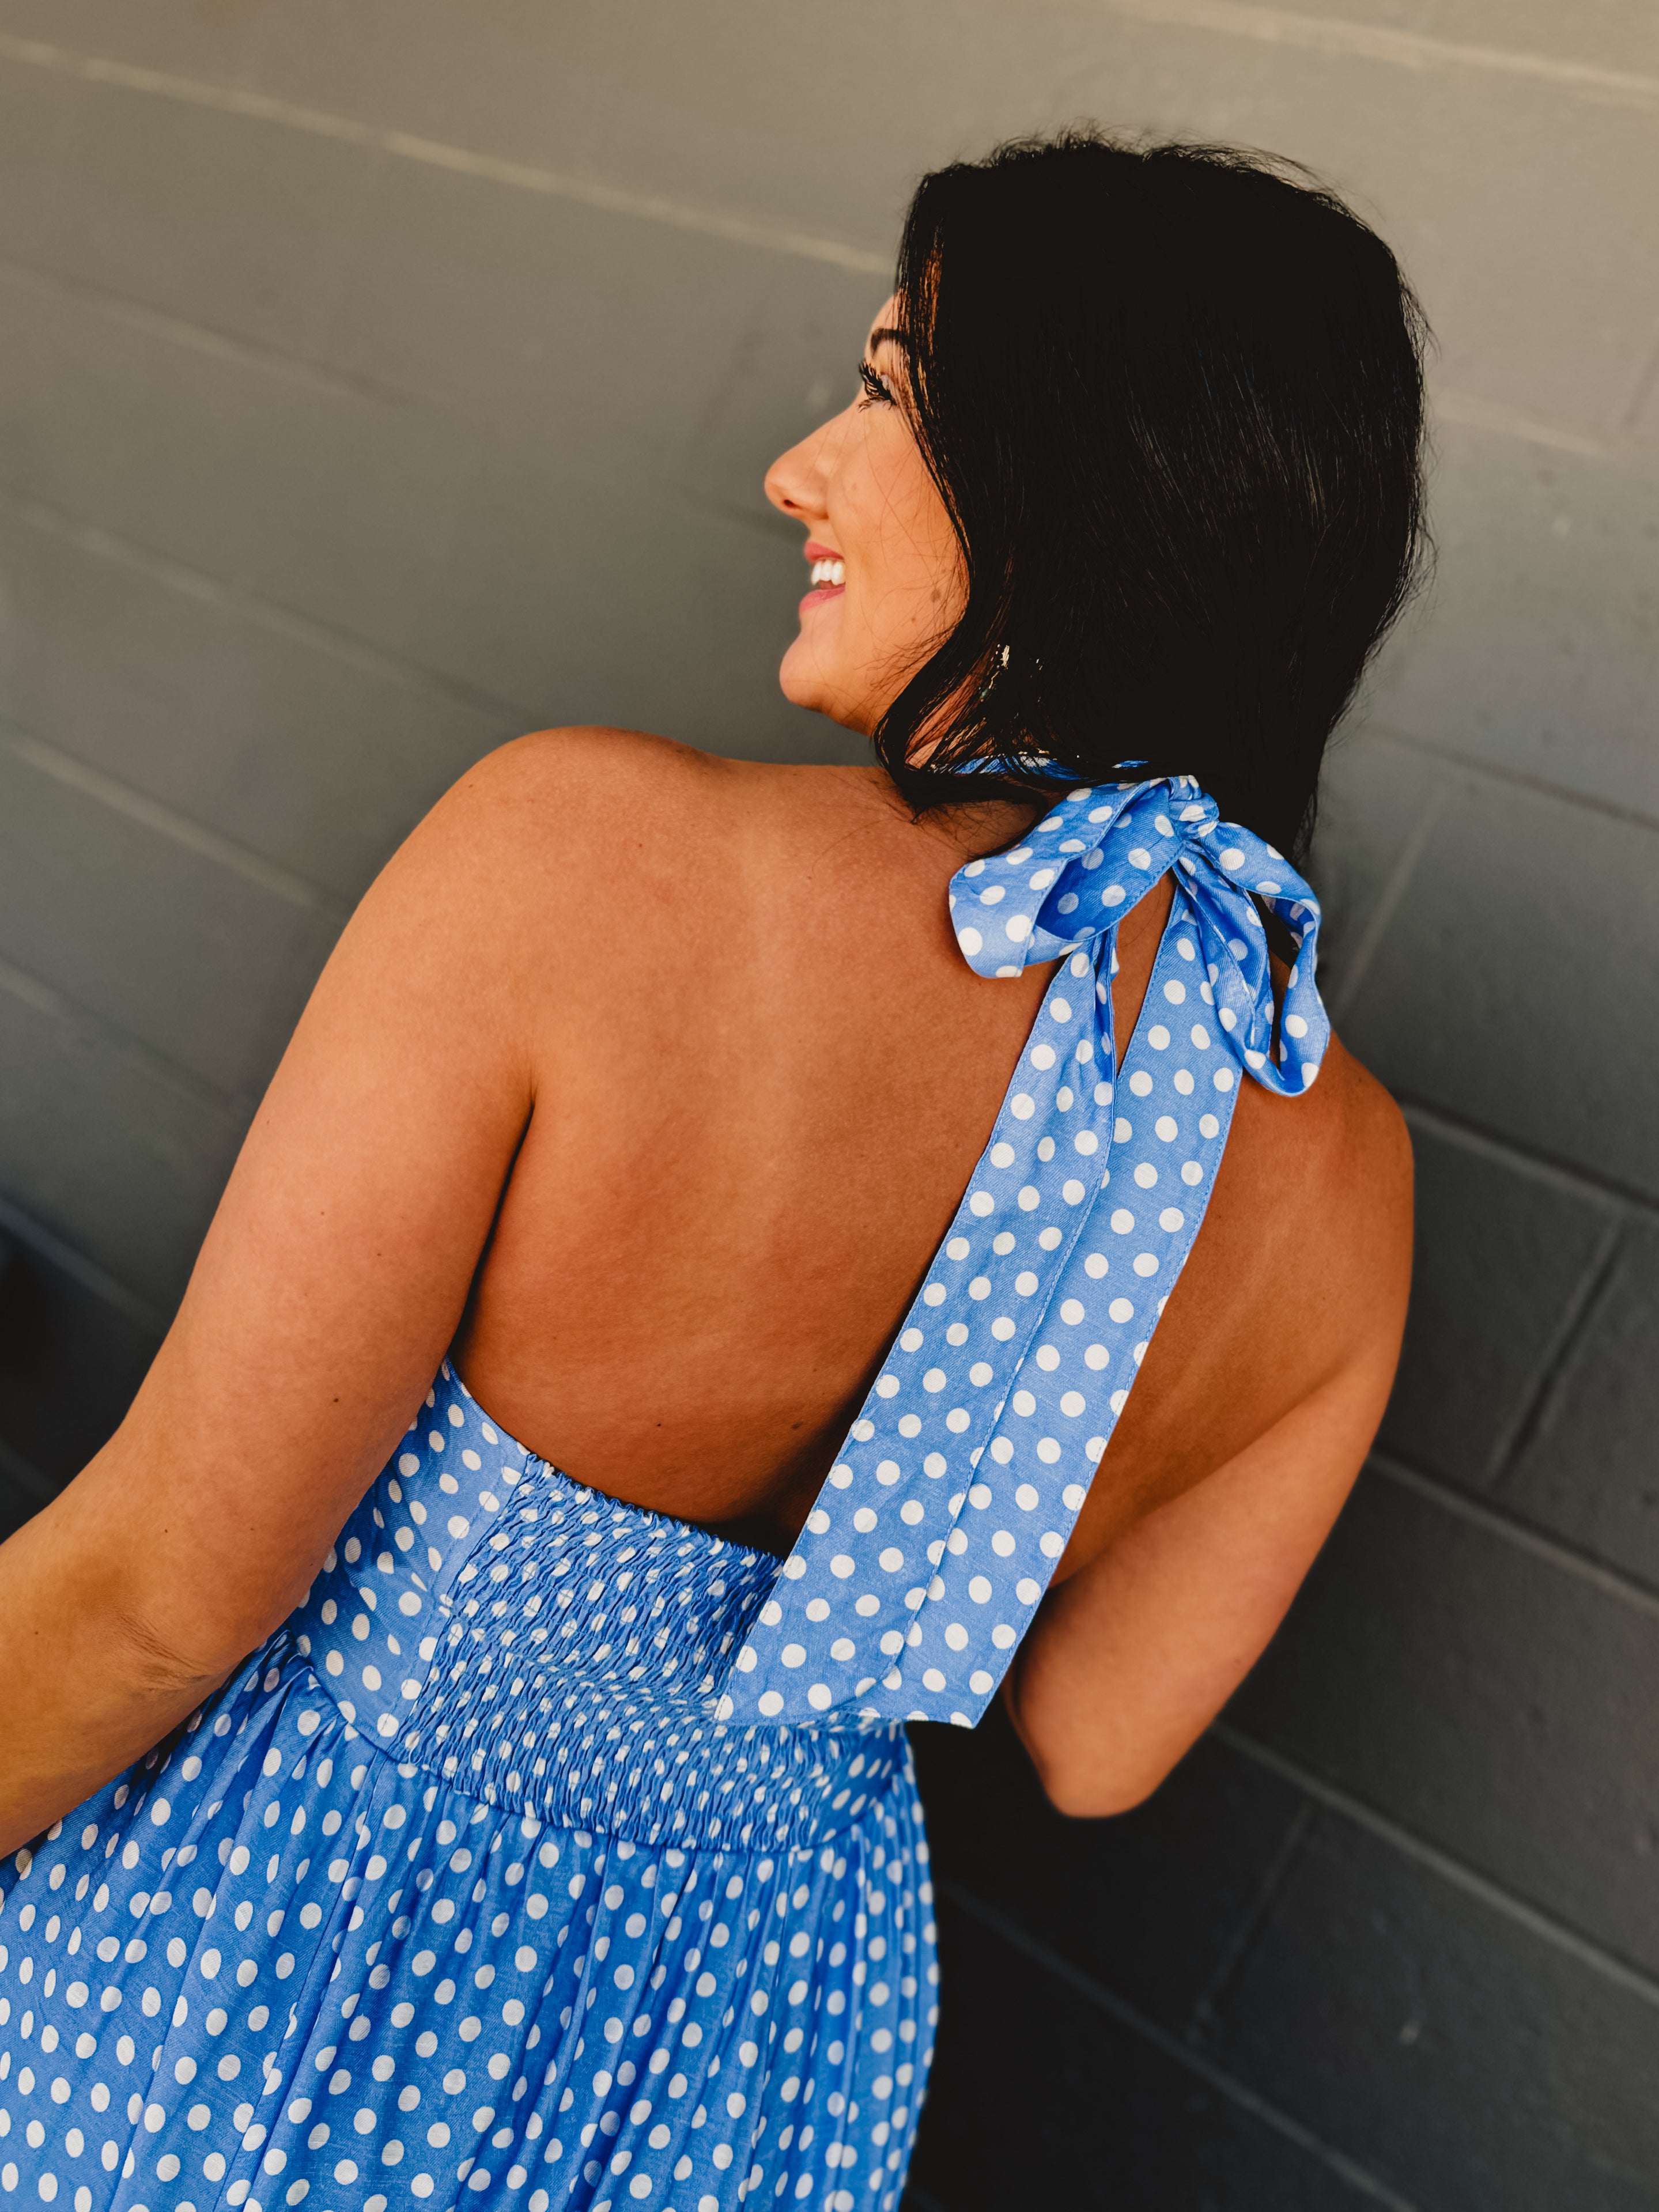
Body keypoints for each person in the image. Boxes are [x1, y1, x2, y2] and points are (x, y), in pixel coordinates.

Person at [0, 129, 1422, 2212]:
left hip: (284, 1964)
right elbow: (1098, 1738)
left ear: (1079, 477)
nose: (796, 469)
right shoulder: (1344, 1162)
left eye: (888, 393)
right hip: (758, 2051)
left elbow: (156, 1595)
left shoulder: (584, 861)